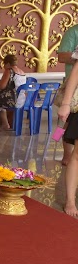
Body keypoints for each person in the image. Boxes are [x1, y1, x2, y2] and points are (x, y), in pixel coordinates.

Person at [58, 62, 78, 218]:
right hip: (74, 103)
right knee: (63, 127)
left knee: (65, 127)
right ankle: (70, 200)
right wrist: (66, 103)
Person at [57, 24, 78, 165]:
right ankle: (65, 154)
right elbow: (62, 56)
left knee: (68, 124)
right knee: (64, 123)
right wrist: (76, 57)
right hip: (73, 86)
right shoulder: (73, 31)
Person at [0, 54, 27, 131]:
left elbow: (2, 86)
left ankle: (5, 124)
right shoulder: (22, 72)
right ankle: (5, 123)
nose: (4, 67)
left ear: (8, 64)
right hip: (22, 99)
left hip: (13, 100)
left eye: (4, 64)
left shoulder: (9, 71)